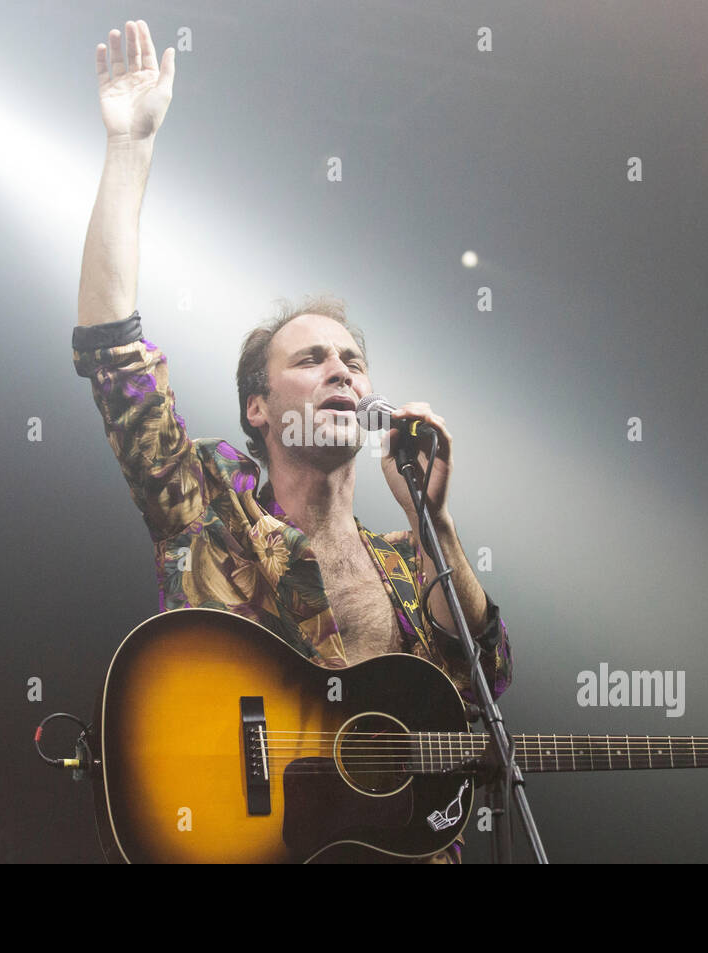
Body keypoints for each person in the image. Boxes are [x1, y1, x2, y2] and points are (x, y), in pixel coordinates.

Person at [72, 20, 513, 863]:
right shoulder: (207, 503)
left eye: (354, 361)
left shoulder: (402, 562)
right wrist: (129, 147)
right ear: (258, 409)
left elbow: (483, 683)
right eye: (310, 360)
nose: (342, 372)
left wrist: (435, 524)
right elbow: (112, 354)